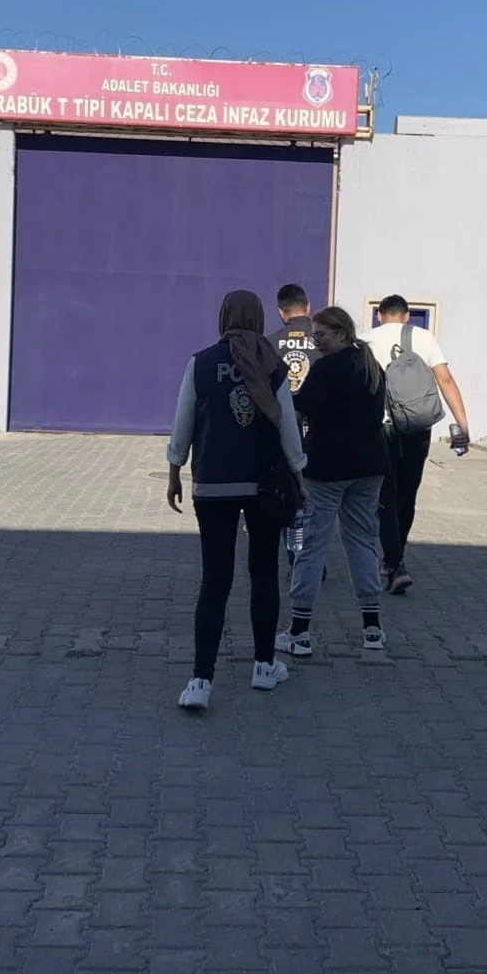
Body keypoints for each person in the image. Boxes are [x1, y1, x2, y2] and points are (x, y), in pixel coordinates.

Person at [166, 289, 307, 709]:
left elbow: (183, 421)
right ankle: (264, 667)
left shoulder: (201, 362)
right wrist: (299, 476)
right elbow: (287, 427)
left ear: (224, 317)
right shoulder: (273, 364)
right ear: (259, 318)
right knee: (263, 573)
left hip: (213, 484)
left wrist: (174, 472)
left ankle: (200, 681)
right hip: (264, 485)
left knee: (215, 580)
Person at [276, 306, 390, 656]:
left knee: (311, 545)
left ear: (341, 333)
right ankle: (372, 628)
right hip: (370, 466)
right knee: (363, 542)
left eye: (322, 335)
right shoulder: (371, 366)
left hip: (327, 468)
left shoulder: (326, 369)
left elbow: (301, 408)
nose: (316, 342)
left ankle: (299, 632)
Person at [364, 295, 470, 594]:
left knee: (385, 492)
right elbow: (445, 380)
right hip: (417, 426)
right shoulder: (424, 338)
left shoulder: (365, 341)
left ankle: (393, 562)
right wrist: (462, 425)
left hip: (380, 428)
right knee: (408, 492)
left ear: (379, 315)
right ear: (407, 316)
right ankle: (396, 556)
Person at [263, 283, 323, 580]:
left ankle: (297, 557)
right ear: (308, 307)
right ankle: (314, 558)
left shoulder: (269, 344)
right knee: (319, 499)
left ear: (280, 311)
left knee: (291, 498)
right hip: (319, 434)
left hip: (283, 433)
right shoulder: (324, 341)